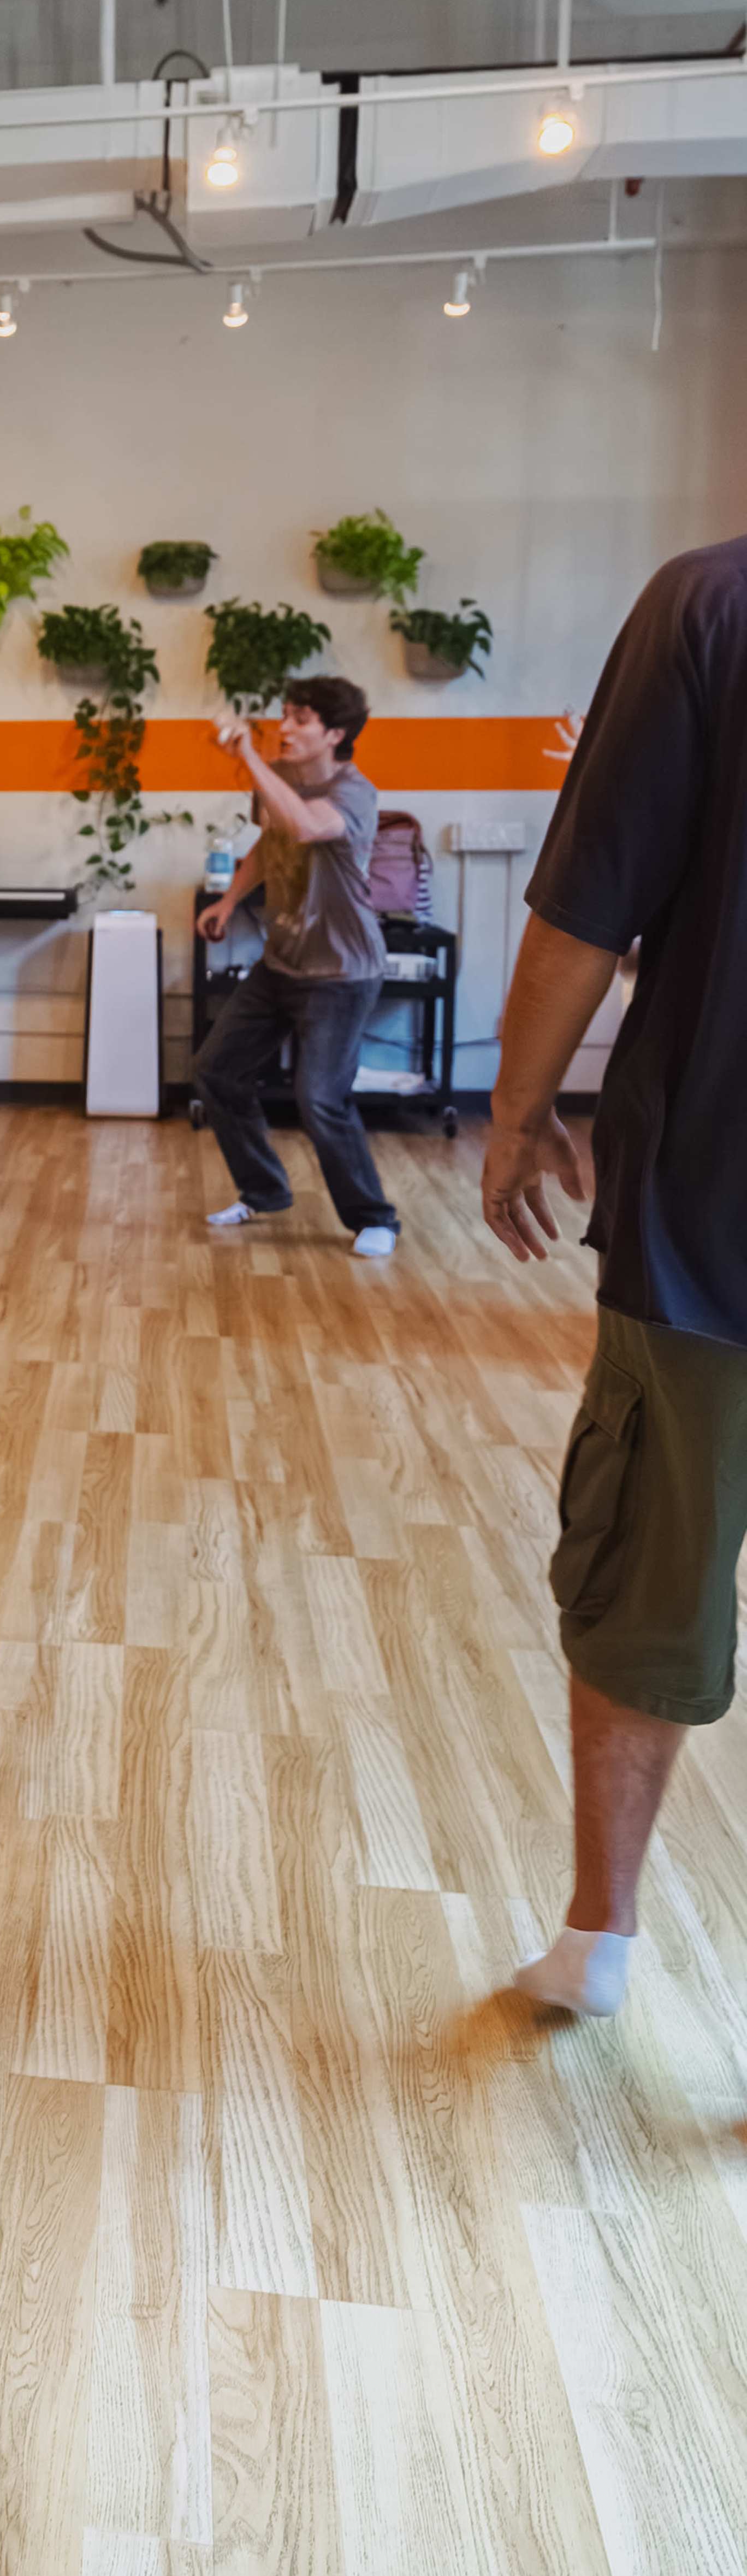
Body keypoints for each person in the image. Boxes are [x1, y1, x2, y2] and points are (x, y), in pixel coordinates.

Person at [481, 535, 747, 2021]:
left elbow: (591, 903)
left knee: (652, 1553)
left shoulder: (710, 604)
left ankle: (602, 1935)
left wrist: (516, 1111)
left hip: (717, 1201)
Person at [192, 675, 401, 1257]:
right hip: (280, 964)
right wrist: (230, 901)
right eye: (284, 713)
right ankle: (263, 1190)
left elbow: (307, 826)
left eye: (301, 718)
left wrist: (249, 758)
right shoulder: (278, 777)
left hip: (342, 973)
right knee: (215, 1071)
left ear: (335, 733)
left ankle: (375, 1217)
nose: (285, 726)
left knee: (320, 1099)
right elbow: (271, 838)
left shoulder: (355, 792)